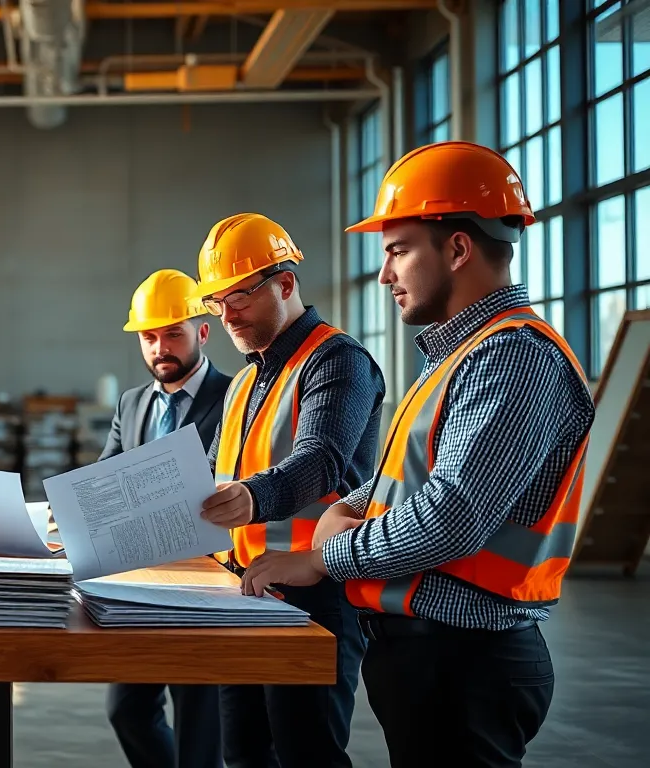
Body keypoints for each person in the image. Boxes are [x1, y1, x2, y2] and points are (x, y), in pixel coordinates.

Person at [241, 141, 595, 768]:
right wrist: (352, 505)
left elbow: (450, 518)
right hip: (434, 655)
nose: (384, 275)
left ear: (457, 248)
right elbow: (405, 483)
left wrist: (325, 556)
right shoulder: (462, 355)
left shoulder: (512, 359)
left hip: (468, 658)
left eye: (398, 251)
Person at [193, 213, 384, 768]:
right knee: (245, 755)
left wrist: (251, 497)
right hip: (242, 591)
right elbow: (215, 470)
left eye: (241, 297)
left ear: (285, 284)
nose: (227, 315)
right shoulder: (247, 379)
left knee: (308, 754)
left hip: (315, 594)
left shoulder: (338, 360)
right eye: (217, 302)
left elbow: (321, 460)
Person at [100, 269, 231, 768]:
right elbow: (105, 476)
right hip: (136, 581)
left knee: (201, 732)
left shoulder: (235, 396)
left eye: (173, 333)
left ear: (203, 330)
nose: (160, 348)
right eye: (149, 337)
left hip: (202, 582)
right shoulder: (132, 404)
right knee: (127, 711)